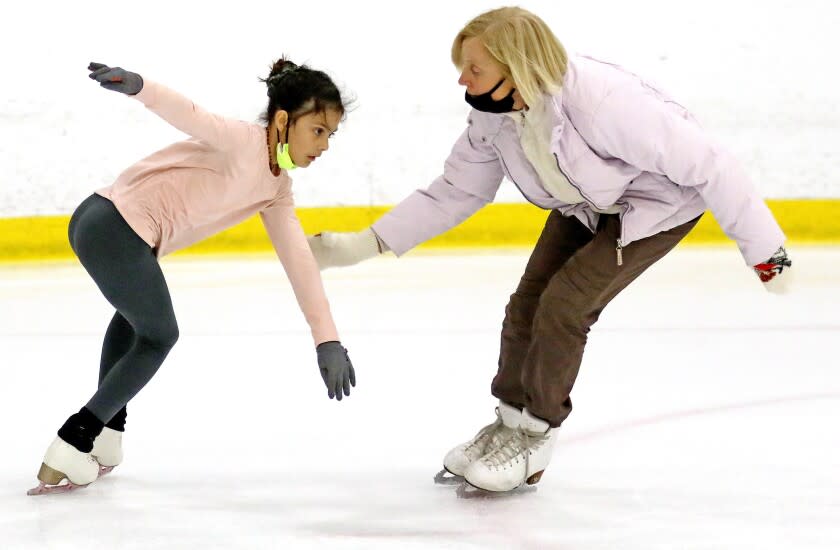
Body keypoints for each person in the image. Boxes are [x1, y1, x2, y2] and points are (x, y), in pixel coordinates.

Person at [306, 6, 792, 493]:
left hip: (656, 207)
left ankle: (536, 435)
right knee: (526, 306)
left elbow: (713, 166)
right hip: (584, 204)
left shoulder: (604, 102)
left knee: (564, 306)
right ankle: (510, 421)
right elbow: (455, 191)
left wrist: (767, 253)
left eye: (474, 68)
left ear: (515, 64)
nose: (462, 79)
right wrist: (365, 244)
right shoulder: (493, 117)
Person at [28, 58, 357, 496]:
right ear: (283, 119)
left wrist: (326, 337)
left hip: (106, 223)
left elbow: (299, 261)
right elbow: (190, 114)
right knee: (159, 335)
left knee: (133, 321)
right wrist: (139, 86)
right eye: (318, 131)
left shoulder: (276, 189)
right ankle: (75, 439)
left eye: (331, 135)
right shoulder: (242, 141)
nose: (325, 145)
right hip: (113, 227)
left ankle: (107, 434)